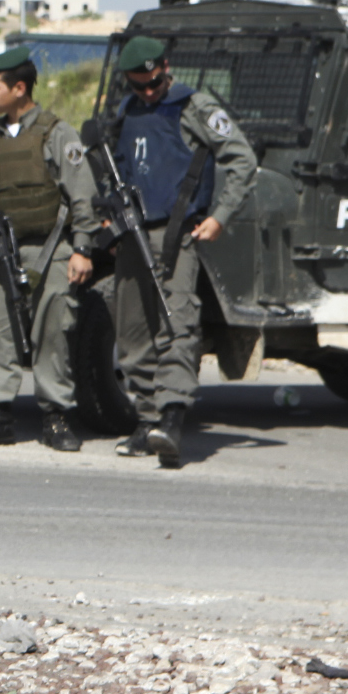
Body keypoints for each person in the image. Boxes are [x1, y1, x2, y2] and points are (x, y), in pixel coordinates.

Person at [105, 34, 256, 467]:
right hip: (133, 233)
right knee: (133, 331)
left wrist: (220, 215)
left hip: (179, 234)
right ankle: (147, 420)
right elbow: (122, 167)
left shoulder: (195, 106)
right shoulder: (128, 110)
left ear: (166, 67)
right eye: (140, 86)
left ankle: (172, 417)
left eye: (155, 83)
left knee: (178, 323)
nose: (149, 93)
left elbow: (241, 158)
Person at [0, 46, 95, 451]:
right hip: (1, 250)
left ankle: (55, 418)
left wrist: (83, 248)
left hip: (51, 250)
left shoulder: (56, 133)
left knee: (54, 329)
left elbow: (83, 194)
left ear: (19, 89)